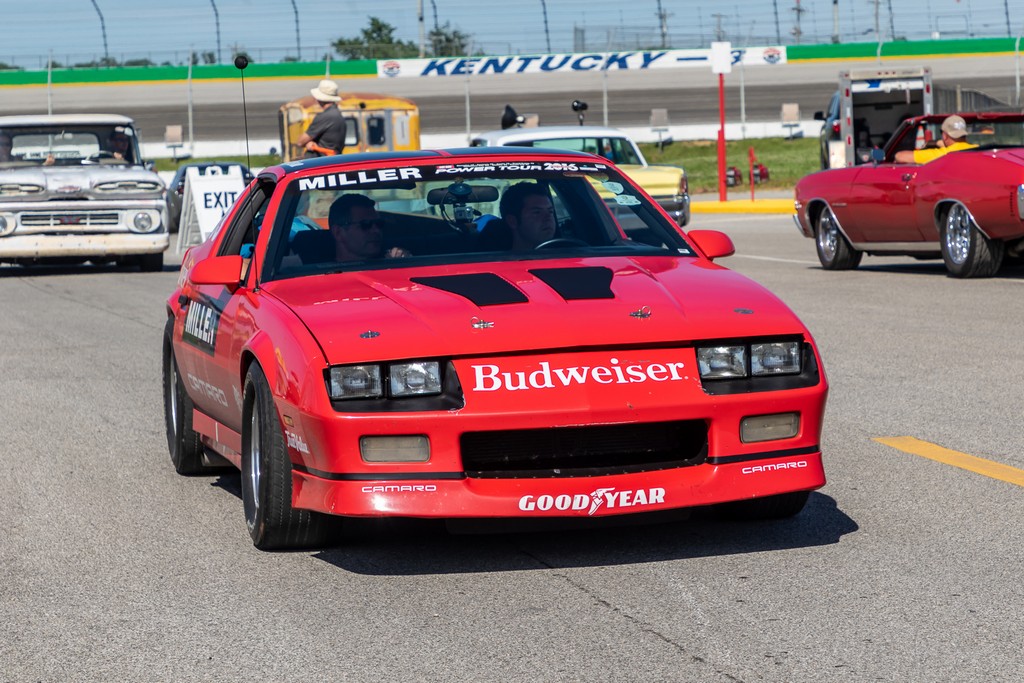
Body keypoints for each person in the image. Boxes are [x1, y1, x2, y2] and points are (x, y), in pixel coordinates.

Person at [327, 193, 408, 261]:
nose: (376, 230)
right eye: (365, 224)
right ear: (338, 232)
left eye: (379, 223)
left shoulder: (392, 262)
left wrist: (404, 261)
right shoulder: (322, 272)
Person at [895, 114, 977, 164]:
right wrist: (937, 143)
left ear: (944, 136)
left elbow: (900, 156)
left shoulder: (942, 154)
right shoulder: (978, 149)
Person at [296, 79, 347, 159]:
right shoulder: (339, 116)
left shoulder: (325, 116)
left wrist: (309, 143)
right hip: (332, 160)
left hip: (319, 162)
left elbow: (300, 142)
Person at [499, 182, 557, 250]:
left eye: (550, 211)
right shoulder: (495, 257)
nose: (548, 218)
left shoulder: (562, 251)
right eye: (537, 212)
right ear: (512, 221)